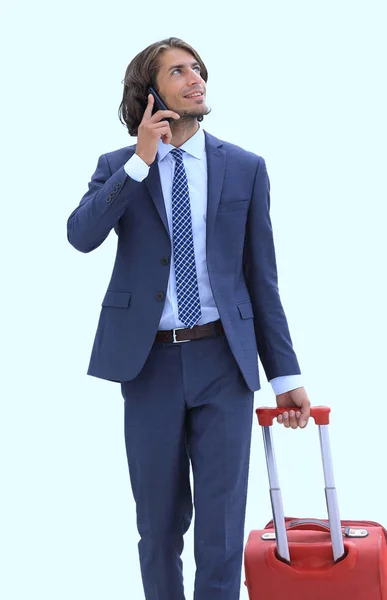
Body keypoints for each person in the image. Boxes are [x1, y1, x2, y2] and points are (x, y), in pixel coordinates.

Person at [67, 37, 311, 600]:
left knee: (222, 533)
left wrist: (286, 377)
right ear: (150, 91)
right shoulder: (119, 166)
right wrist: (139, 161)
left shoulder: (245, 168)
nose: (196, 78)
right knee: (157, 526)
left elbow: (262, 281)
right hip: (147, 364)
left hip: (224, 361)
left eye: (198, 68)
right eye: (178, 71)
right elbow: (82, 236)